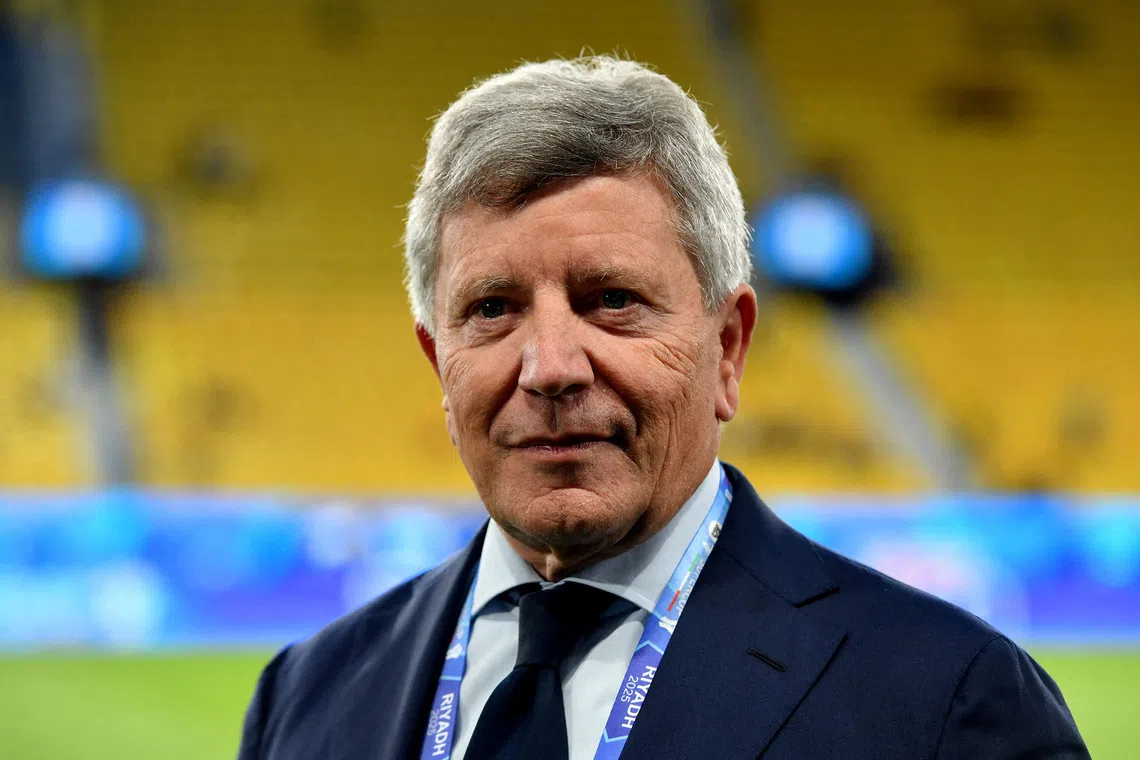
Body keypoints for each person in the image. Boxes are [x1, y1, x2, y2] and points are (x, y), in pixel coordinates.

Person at [237, 56, 1088, 760]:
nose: (550, 368)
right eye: (492, 309)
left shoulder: (949, 703)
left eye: (610, 298)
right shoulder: (305, 697)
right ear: (439, 363)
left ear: (727, 348)